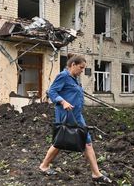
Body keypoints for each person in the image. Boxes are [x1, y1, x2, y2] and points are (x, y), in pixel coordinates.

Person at [39, 55, 112, 184]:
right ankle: (44, 166)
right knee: (60, 141)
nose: (82, 71)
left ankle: (96, 173)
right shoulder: (63, 76)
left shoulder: (75, 79)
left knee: (86, 142)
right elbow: (52, 92)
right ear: (73, 65)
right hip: (66, 114)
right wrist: (63, 102)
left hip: (77, 115)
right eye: (81, 68)